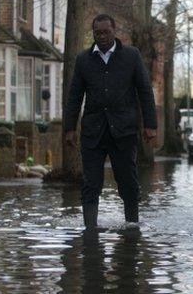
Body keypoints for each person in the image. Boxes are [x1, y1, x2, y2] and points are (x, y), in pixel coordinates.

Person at [64, 14, 157, 229]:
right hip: (93, 132)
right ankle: (90, 229)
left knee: (128, 182)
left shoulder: (131, 56)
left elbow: (145, 90)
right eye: (98, 33)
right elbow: (75, 96)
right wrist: (69, 129)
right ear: (93, 34)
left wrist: (150, 125)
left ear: (114, 31)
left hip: (123, 131)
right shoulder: (83, 60)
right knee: (90, 183)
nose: (102, 37)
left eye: (106, 32)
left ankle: (132, 225)